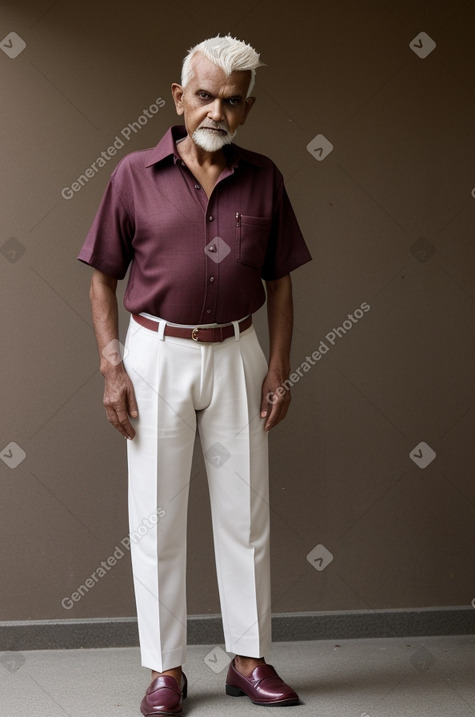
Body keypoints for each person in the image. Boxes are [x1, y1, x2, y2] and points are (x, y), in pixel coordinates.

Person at [78, 34, 311, 716]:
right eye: (205, 95)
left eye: (233, 101)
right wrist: (112, 364)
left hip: (238, 350)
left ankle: (248, 658)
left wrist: (278, 368)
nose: (218, 111)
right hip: (154, 353)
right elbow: (102, 279)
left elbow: (281, 284)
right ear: (179, 98)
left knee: (247, 512)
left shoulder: (264, 178)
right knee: (156, 517)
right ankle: (167, 671)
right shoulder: (131, 175)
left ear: (247, 108)